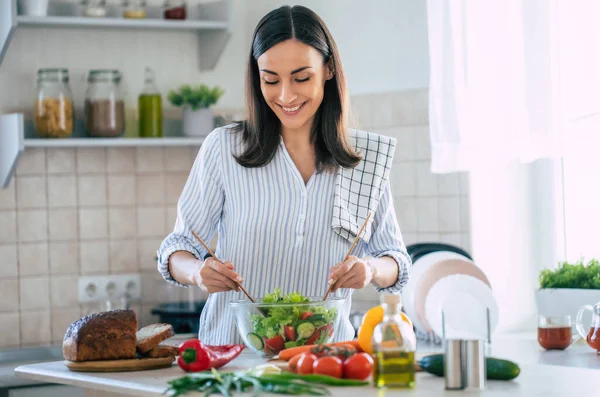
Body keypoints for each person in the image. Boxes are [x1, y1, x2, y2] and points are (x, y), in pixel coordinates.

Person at [157, 5, 412, 345]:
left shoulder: (364, 159)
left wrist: (370, 269)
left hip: (324, 361)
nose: (286, 95)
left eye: (301, 78)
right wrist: (197, 273)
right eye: (270, 80)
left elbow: (396, 261)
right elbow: (178, 247)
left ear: (329, 70)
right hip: (231, 359)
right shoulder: (224, 148)